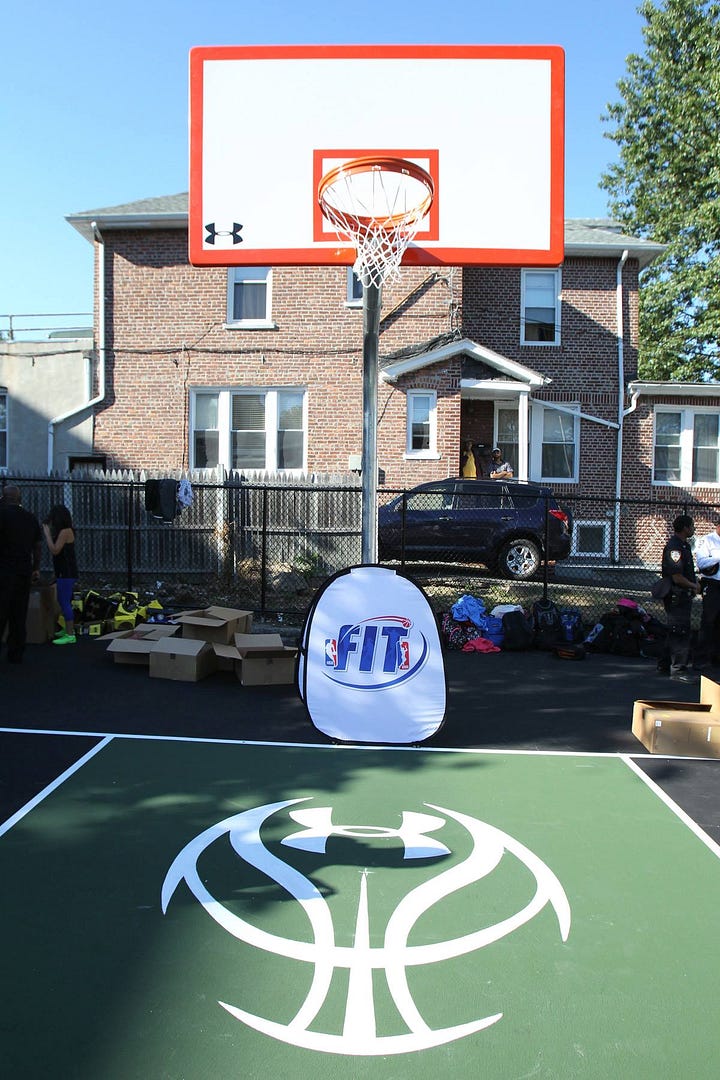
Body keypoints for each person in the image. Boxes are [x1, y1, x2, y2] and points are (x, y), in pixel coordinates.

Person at [0, 485, 42, 663]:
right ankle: (16, 652)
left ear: (4, 498)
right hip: (23, 571)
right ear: (19, 499)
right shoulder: (30, 518)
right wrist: (35, 568)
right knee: (19, 614)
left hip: (3, 570)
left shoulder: (2, 515)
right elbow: (37, 546)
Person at [658, 514, 701, 681]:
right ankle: (678, 670)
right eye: (692, 526)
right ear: (685, 528)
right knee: (680, 632)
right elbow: (677, 577)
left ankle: (664, 664)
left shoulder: (684, 546)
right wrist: (693, 586)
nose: (694, 529)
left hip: (683, 595)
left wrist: (693, 583)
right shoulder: (674, 548)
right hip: (676, 595)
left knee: (674, 630)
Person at [42, 504, 79, 645]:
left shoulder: (65, 531)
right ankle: (67, 629)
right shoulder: (64, 531)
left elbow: (55, 550)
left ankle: (70, 635)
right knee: (62, 600)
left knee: (64, 601)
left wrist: (47, 535)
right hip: (63, 572)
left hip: (67, 572)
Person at [694, 518, 720, 667]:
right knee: (708, 621)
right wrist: (718, 557)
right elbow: (701, 563)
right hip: (712, 584)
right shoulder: (707, 541)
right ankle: (700, 658)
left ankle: (716, 657)